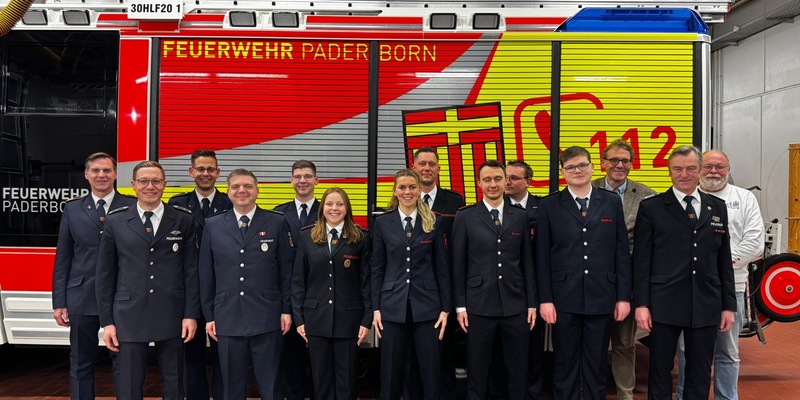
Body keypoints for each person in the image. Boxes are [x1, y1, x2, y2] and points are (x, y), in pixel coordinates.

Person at [633, 145, 736, 400]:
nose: (685, 174)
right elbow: (641, 261)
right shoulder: (652, 208)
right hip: (663, 303)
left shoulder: (717, 207)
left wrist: (728, 306)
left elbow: (723, 260)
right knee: (660, 369)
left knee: (700, 371)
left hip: (706, 303)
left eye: (691, 168)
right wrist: (642, 305)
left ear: (700, 170)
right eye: (678, 169)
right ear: (669, 173)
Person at [96, 160, 200, 400]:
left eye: (156, 181)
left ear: (164, 185)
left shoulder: (183, 219)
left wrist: (190, 314)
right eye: (144, 181)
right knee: (129, 384)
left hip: (172, 312)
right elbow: (105, 274)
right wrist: (107, 321)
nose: (150, 186)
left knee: (174, 382)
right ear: (133, 185)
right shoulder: (116, 221)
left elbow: (191, 271)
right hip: (128, 315)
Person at [536, 146, 631, 400]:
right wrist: (545, 299)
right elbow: (542, 257)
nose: (577, 171)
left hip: (602, 297)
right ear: (563, 172)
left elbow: (621, 252)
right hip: (563, 298)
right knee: (564, 363)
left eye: (581, 165)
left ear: (593, 167)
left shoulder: (611, 202)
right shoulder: (549, 205)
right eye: (570, 167)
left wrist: (623, 297)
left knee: (597, 363)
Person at [198, 168, 294, 400]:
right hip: (227, 317)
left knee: (271, 384)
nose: (242, 191)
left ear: (257, 190)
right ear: (228, 192)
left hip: (268, 316)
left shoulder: (276, 222)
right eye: (236, 187)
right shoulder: (213, 224)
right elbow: (206, 273)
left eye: (248, 186)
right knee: (231, 386)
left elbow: (286, 271)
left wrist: (286, 310)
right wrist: (209, 315)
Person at [676, 149, 764, 400]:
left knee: (728, 351)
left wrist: (717, 266)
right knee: (686, 349)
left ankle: (727, 397)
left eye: (720, 167)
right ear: (698, 168)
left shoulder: (744, 198)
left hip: (731, 288)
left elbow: (755, 244)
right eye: (708, 166)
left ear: (728, 169)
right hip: (689, 288)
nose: (714, 171)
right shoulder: (685, 198)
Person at [52, 152, 136, 400]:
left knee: (124, 362)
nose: (102, 175)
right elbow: (63, 257)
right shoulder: (72, 209)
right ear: (86, 174)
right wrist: (60, 301)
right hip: (82, 295)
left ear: (115, 174)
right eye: (96, 170)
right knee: (81, 362)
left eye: (107, 170)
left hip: (122, 296)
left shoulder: (132, 206)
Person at [451, 160, 536, 400]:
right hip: (478, 305)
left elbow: (527, 263)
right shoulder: (465, 216)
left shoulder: (520, 216)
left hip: (515, 304)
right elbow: (458, 265)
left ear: (505, 181)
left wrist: (531, 303)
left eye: (498, 179)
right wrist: (460, 306)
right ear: (479, 184)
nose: (493, 184)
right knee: (478, 369)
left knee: (517, 369)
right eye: (487, 179)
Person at [371, 168, 451, 400]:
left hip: (428, 308)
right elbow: (377, 268)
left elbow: (442, 269)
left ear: (419, 190)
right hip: (392, 306)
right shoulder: (383, 222)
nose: (407, 192)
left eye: (412, 187)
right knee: (391, 371)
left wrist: (445, 308)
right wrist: (376, 308)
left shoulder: (433, 221)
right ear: (395, 191)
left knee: (430, 370)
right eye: (402, 187)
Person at [292, 187, 371, 400]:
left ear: (347, 209)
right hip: (315, 319)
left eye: (339, 204)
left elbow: (366, 283)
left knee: (346, 382)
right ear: (322, 208)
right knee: (321, 380)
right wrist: (299, 318)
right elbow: (299, 281)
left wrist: (366, 320)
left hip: (349, 320)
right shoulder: (307, 236)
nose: (334, 208)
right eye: (329, 204)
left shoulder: (360, 237)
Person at [590, 140, 655, 400]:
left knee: (625, 343)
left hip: (627, 280)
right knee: (592, 344)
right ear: (603, 163)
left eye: (625, 161)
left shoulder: (647, 195)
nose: (620, 165)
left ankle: (625, 394)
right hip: (592, 280)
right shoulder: (587, 188)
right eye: (614, 160)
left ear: (631, 163)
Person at [168, 149, 231, 400]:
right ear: (191, 171)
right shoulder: (177, 204)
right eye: (200, 169)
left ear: (218, 172)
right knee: (190, 353)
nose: (205, 174)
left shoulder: (229, 202)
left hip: (222, 288)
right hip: (188, 289)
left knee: (224, 353)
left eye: (210, 169)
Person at [410, 146, 465, 400]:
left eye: (432, 164)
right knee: (412, 353)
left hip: (445, 285)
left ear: (439, 168)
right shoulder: (402, 198)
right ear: (414, 167)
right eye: (422, 164)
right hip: (411, 289)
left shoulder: (454, 201)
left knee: (444, 349)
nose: (427, 168)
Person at [273, 159, 320, 400]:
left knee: (319, 356)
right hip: (289, 295)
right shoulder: (278, 213)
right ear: (291, 180)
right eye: (298, 176)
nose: (302, 180)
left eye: (307, 176)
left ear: (316, 180)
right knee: (290, 354)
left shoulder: (328, 210)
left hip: (321, 295)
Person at [504, 160, 544, 400]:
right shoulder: (496, 206)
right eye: (506, 177)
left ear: (528, 182)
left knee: (532, 347)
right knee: (505, 347)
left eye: (514, 178)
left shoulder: (543, 206)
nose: (507, 182)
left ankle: (532, 393)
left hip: (535, 286)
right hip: (506, 286)